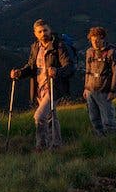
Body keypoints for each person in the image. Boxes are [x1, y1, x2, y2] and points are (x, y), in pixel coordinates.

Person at [9, 19, 73, 151]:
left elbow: (69, 67)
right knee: (50, 117)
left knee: (39, 116)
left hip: (53, 87)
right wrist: (19, 73)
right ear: (35, 33)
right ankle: (56, 146)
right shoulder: (35, 47)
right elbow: (31, 67)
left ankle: (41, 145)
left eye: (45, 30)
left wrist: (57, 71)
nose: (43, 33)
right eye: (40, 31)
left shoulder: (59, 46)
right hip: (39, 88)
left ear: (50, 30)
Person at [83, 26, 116, 136]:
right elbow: (88, 70)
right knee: (94, 118)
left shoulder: (111, 52)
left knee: (108, 119)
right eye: (92, 40)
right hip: (90, 90)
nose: (95, 42)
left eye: (97, 39)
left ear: (103, 38)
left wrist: (112, 90)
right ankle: (101, 139)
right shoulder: (89, 52)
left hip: (104, 90)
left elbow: (115, 72)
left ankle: (113, 141)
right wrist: (85, 88)